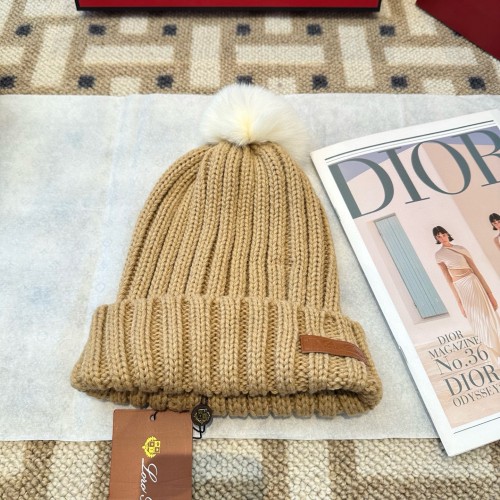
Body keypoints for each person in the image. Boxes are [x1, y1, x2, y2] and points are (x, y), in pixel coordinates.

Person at [433, 226, 500, 365]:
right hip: (461, 288)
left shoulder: (461, 249)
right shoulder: (439, 255)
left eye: (443, 234)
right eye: (438, 236)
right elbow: (448, 280)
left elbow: (476, 270)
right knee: (477, 321)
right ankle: (494, 356)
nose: (442, 238)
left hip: (474, 283)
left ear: (447, 234)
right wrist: (459, 304)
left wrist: (490, 294)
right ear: (436, 238)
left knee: (488, 317)